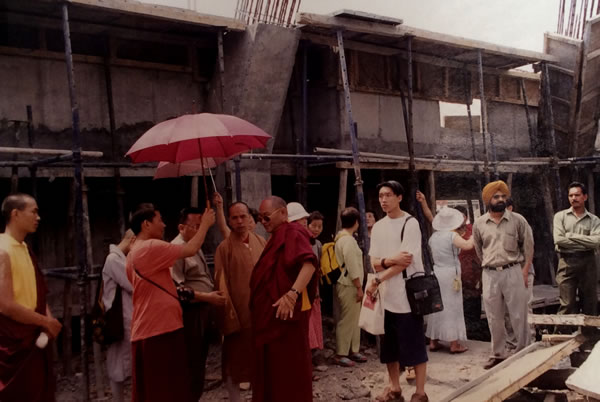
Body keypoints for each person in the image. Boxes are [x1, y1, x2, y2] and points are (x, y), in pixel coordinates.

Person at [126, 203, 215, 402]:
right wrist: (206, 225)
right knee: (167, 387)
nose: (164, 225)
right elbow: (190, 248)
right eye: (160, 220)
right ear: (146, 224)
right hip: (159, 327)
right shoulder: (150, 247)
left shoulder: (134, 252)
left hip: (152, 326)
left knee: (155, 388)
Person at [250, 196, 318, 402]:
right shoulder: (275, 238)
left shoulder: (292, 232)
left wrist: (292, 293)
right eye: (260, 217)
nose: (263, 221)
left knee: (289, 371)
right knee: (272, 371)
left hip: (286, 320)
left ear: (283, 213)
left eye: (267, 216)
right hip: (271, 318)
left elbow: (309, 264)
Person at [366, 181, 429, 402]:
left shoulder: (410, 223)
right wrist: (388, 261)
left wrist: (380, 275)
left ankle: (420, 392)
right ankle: (394, 388)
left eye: (389, 195)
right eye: (381, 195)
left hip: (407, 295)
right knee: (389, 347)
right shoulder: (379, 226)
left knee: (414, 343)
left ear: (399, 197)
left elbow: (406, 261)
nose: (384, 200)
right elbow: (374, 261)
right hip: (386, 295)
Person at [0, 193, 61, 402]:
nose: (38, 217)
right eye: (33, 211)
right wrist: (45, 321)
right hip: (14, 340)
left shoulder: (25, 248)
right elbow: (5, 305)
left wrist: (49, 320)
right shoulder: (3, 250)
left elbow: (38, 292)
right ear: (15, 214)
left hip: (34, 335)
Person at [472, 181, 533, 370]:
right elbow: (479, 249)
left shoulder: (518, 220)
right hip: (490, 274)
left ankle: (525, 352)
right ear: (488, 200)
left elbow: (528, 246)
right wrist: (489, 265)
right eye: (496, 196)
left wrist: (524, 270)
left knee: (518, 314)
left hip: (513, 270)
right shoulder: (479, 223)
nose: (500, 199)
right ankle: (498, 354)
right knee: (493, 316)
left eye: (503, 196)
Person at [171, 206, 226, 400]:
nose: (199, 230)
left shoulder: (195, 245)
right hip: (190, 310)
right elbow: (177, 290)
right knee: (192, 359)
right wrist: (206, 296)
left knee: (201, 356)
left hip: (204, 308)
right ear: (181, 227)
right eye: (195, 226)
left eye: (201, 226)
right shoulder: (177, 249)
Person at [214, 202, 266, 402]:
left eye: (243, 216)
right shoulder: (224, 248)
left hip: (261, 314)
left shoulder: (260, 241)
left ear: (250, 218)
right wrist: (229, 318)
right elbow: (221, 285)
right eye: (234, 218)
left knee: (260, 362)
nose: (239, 221)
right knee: (235, 363)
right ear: (229, 220)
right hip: (238, 315)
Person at [426, 207, 473, 354]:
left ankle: (433, 341)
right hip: (451, 273)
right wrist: (474, 235)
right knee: (453, 307)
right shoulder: (451, 236)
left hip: (438, 272)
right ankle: (454, 343)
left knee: (437, 306)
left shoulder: (433, 237)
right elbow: (468, 245)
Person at [553, 182, 600, 317]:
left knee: (590, 302)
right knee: (567, 303)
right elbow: (559, 240)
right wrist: (586, 241)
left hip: (588, 261)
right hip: (566, 261)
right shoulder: (560, 217)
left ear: (585, 197)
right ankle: (560, 336)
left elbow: (596, 242)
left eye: (577, 195)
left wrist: (571, 236)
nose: (574, 198)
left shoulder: (594, 220)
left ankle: (589, 336)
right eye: (571, 195)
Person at [102, 229, 135, 402]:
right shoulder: (114, 259)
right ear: (132, 241)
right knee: (117, 366)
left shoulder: (120, 259)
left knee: (127, 364)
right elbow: (133, 283)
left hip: (127, 316)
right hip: (118, 319)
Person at [333, 207, 367, 367]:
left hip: (349, 283)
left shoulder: (342, 238)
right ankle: (341, 353)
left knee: (354, 318)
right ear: (356, 222)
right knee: (348, 319)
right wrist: (359, 287)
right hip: (349, 284)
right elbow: (352, 266)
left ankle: (353, 349)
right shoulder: (347, 240)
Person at [505, 198, 535, 347]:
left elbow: (529, 248)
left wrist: (525, 271)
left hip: (523, 270)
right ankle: (512, 343)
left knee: (524, 306)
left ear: (510, 208)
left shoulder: (520, 223)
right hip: (505, 273)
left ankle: (530, 342)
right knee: (507, 309)